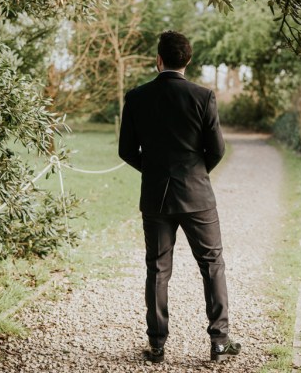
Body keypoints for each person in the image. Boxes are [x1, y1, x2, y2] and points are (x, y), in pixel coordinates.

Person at [118, 30, 241, 364]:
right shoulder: (203, 96)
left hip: (156, 196)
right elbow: (216, 149)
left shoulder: (137, 96)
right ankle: (219, 341)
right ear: (187, 60)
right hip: (197, 195)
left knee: (157, 270)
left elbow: (126, 150)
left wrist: (156, 171)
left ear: (158, 59)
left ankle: (156, 346)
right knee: (212, 265)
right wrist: (196, 174)